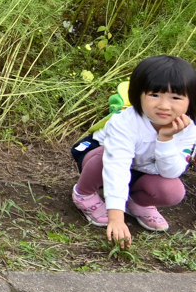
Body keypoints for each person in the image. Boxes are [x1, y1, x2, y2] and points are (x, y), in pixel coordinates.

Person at [71, 55, 195, 244]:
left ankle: (135, 202)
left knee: (172, 191)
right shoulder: (125, 122)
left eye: (176, 97)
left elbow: (171, 172)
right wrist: (116, 219)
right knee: (105, 156)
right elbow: (116, 166)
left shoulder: (188, 128)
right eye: (154, 95)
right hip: (100, 158)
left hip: (142, 167)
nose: (164, 105)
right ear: (138, 94)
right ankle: (84, 193)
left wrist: (166, 139)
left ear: (190, 100)